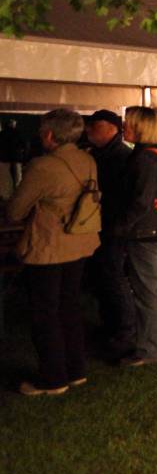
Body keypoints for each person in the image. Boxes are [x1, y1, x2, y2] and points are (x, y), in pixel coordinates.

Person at [6, 109, 100, 395]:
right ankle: (75, 369)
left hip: (49, 245)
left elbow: (15, 210)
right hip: (80, 241)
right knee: (69, 306)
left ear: (49, 134)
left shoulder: (43, 166)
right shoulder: (87, 159)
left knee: (45, 312)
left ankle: (53, 377)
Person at [114, 106, 157, 367]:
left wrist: (121, 227)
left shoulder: (145, 158)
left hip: (146, 231)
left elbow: (141, 201)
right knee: (152, 289)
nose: (124, 128)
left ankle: (153, 349)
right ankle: (153, 344)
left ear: (141, 127)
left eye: (128, 123)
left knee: (148, 292)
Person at [85, 109, 137, 357]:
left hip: (114, 226)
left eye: (94, 127)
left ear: (110, 128)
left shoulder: (120, 156)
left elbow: (123, 195)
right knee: (105, 277)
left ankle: (125, 331)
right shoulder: (102, 153)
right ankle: (111, 326)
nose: (89, 131)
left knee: (114, 277)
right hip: (104, 225)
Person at [0, 118, 27, 198]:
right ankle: (19, 195)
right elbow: (25, 144)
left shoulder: (2, 134)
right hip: (16, 158)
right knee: (18, 177)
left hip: (4, 159)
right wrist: (24, 155)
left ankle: (6, 196)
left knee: (5, 178)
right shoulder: (18, 133)